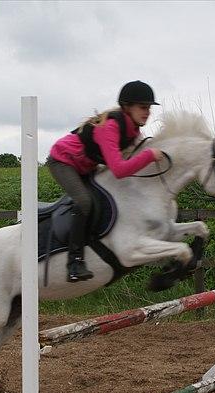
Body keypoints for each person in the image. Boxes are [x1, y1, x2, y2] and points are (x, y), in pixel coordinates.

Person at [47, 80, 164, 282]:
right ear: (127, 107)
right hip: (63, 161)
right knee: (84, 201)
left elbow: (134, 161)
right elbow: (119, 169)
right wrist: (150, 155)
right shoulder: (110, 127)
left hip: (86, 166)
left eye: (149, 108)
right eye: (143, 107)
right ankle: (74, 263)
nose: (148, 112)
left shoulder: (134, 131)